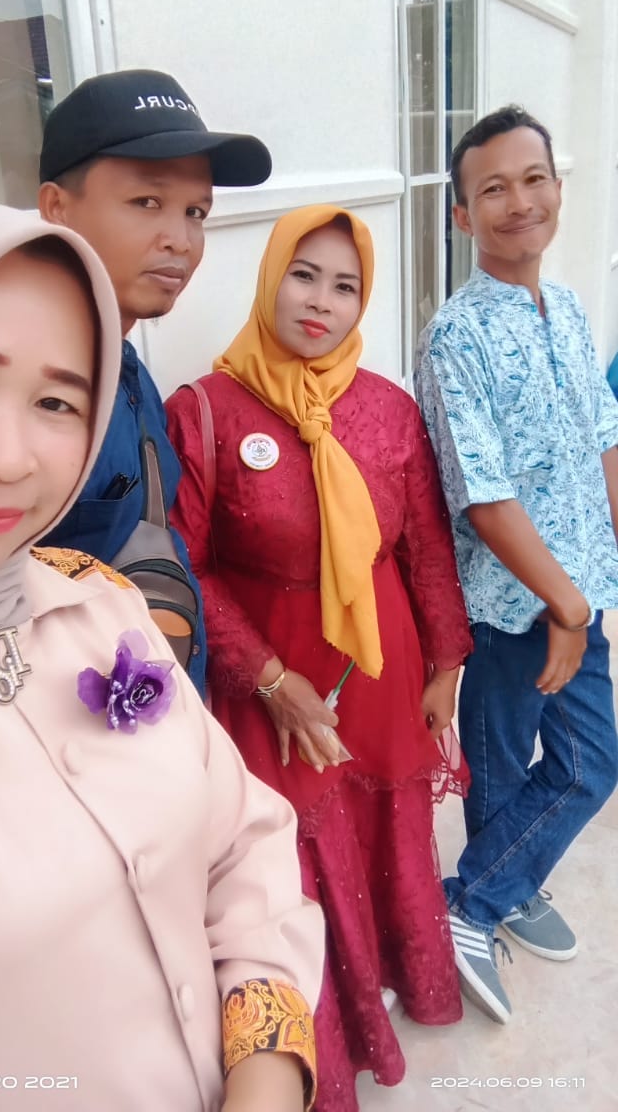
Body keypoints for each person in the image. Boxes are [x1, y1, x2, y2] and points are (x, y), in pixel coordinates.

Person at [0, 198, 324, 1112]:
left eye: (57, 401)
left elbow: (242, 845)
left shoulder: (101, 607)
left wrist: (267, 1076)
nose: (11, 458)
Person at [165, 204, 473, 1107]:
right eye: (304, 275)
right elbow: (184, 565)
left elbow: (424, 544)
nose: (320, 302)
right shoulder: (205, 411)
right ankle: (327, 1039)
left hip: (380, 667)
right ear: (271, 278)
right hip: (270, 675)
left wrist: (446, 662)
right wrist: (269, 678)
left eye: (345, 286)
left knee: (385, 829)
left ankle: (386, 984)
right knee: (288, 862)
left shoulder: (387, 409)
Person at [414, 105, 618, 1025]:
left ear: (558, 190)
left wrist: (597, 582)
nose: (518, 201)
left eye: (533, 179)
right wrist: (562, 607)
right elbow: (482, 494)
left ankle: (491, 886)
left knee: (588, 762)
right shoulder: (455, 336)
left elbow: (604, 439)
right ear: (463, 215)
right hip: (511, 610)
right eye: (492, 188)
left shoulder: (566, 308)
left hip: (581, 591)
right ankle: (481, 901)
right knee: (505, 770)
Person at [38, 68, 272, 696]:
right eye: (147, 202)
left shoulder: (127, 366)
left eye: (196, 212)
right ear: (57, 208)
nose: (180, 240)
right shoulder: (33, 394)